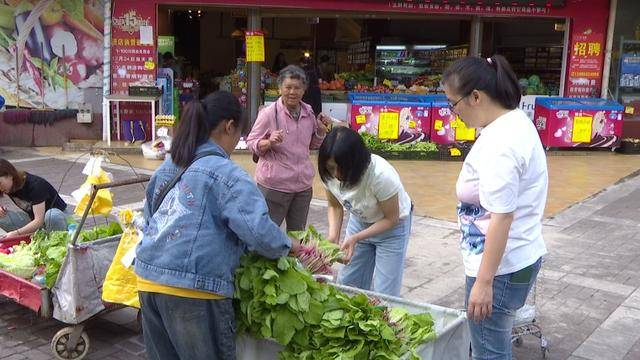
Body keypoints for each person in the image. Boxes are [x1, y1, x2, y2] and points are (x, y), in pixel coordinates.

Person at [134, 91, 299, 360]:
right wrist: (290, 245)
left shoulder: (169, 165)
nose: (237, 143)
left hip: (148, 282)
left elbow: (149, 218)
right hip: (194, 290)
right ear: (229, 126)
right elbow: (258, 232)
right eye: (239, 135)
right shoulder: (227, 173)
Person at [442, 55, 547, 360]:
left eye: (453, 103)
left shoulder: (501, 143)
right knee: (489, 345)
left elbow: (502, 217)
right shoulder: (512, 122)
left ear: (476, 97)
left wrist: (484, 283)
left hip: (499, 269)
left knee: (489, 352)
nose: (453, 113)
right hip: (514, 257)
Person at [318, 127, 412, 297]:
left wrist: (356, 238)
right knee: (348, 285)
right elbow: (334, 206)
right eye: (332, 168)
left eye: (342, 168)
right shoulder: (329, 174)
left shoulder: (381, 176)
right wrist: (333, 237)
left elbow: (392, 219)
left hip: (392, 228)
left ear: (356, 162)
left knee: (384, 296)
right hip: (360, 221)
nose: (337, 174)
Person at [246, 65, 331, 232]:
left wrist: (321, 131)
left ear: (304, 90)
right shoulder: (269, 114)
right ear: (279, 89)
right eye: (288, 87)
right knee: (266, 235)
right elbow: (251, 142)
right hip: (274, 186)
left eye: (297, 88)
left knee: (297, 235)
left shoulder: (308, 112)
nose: (292, 92)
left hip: (302, 187)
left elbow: (312, 145)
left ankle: (293, 259)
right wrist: (268, 142)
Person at [0, 159, 67, 238]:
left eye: (0, 183)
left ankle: (57, 240)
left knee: (51, 215)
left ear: (10, 175)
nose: (0, 189)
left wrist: (16, 233)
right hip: (34, 221)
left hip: (55, 220)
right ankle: (37, 238)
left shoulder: (35, 184)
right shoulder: (7, 186)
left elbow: (39, 221)